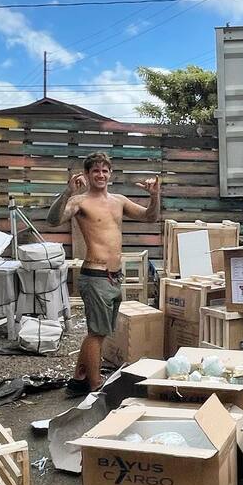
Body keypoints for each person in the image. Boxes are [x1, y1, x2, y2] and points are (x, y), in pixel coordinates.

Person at [47, 151, 160, 395]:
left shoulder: (118, 200)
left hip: (114, 277)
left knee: (99, 333)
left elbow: (150, 217)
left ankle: (78, 380)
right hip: (94, 275)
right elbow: (53, 220)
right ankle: (96, 385)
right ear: (87, 174)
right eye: (95, 170)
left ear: (110, 174)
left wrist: (154, 195)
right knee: (97, 333)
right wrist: (68, 192)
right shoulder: (80, 201)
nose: (101, 174)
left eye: (104, 170)